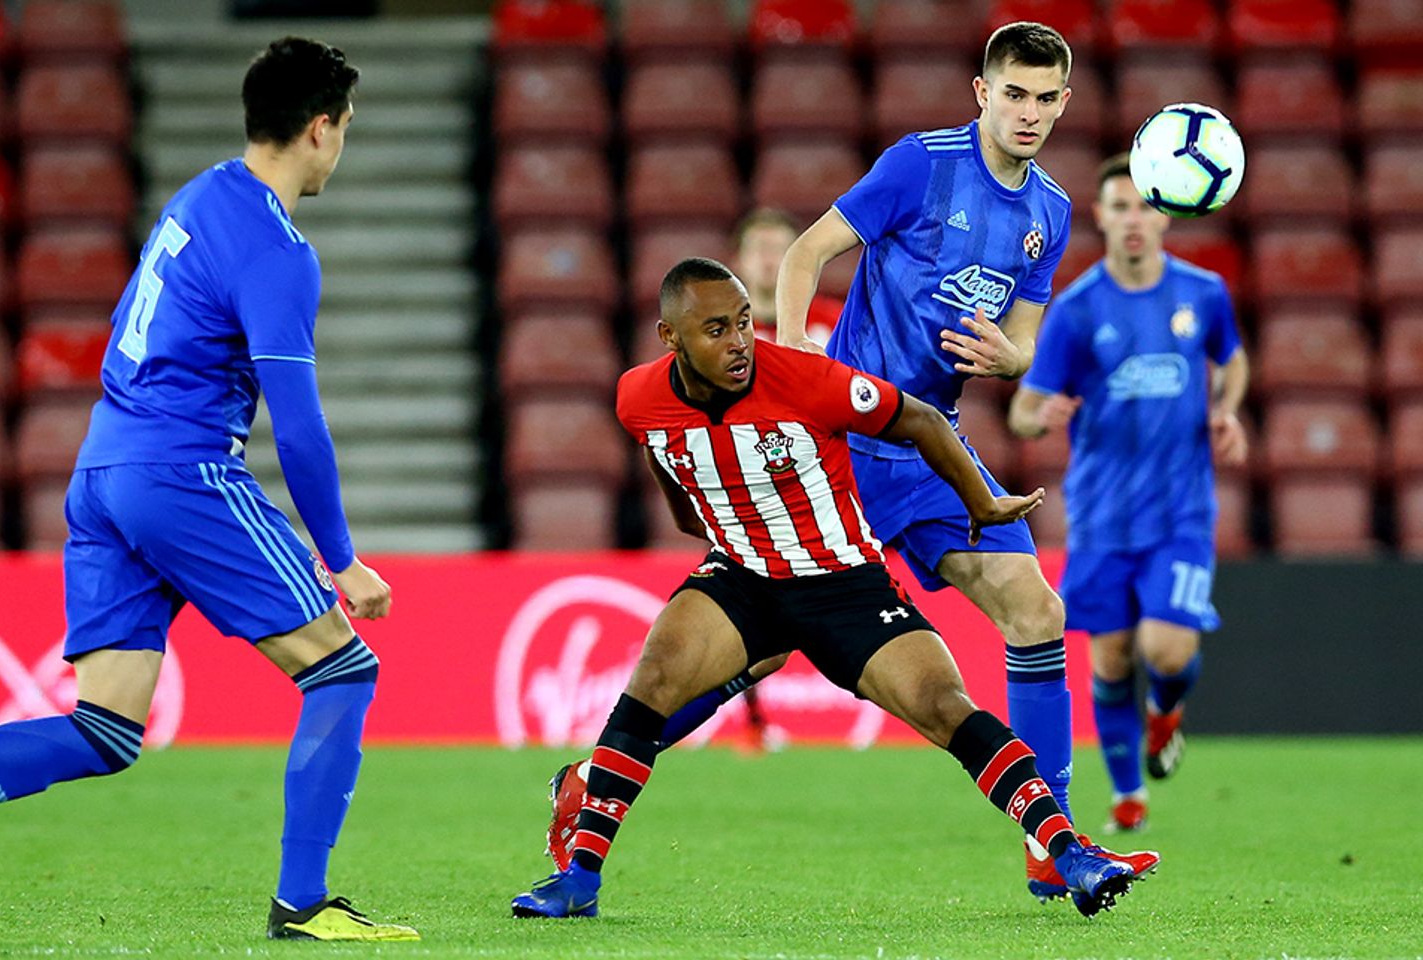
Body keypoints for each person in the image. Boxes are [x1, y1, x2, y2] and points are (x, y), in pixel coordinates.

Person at [512, 257, 1147, 921]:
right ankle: (580, 878)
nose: (739, 343)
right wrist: (705, 527)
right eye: (717, 330)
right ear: (671, 339)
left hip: (844, 584)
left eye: (744, 324)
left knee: (945, 707)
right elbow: (665, 458)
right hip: (745, 577)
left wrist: (981, 505)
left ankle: (1069, 853)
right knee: (651, 686)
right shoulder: (637, 397)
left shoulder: (805, 380)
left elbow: (923, 421)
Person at [0, 38, 418, 942]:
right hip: (177, 470)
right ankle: (303, 902)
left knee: (105, 730)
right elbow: (297, 428)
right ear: (320, 129)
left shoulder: (200, 194)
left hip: (101, 470)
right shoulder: (275, 247)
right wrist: (343, 558)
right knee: (343, 668)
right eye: (346, 129)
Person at [769, 21, 1155, 900]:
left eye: (1045, 97)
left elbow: (1024, 335)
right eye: (1012, 93)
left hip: (928, 445)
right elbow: (806, 252)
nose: (1028, 112)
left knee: (1036, 611)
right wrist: (796, 369)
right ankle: (596, 783)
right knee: (748, 653)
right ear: (982, 92)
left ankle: (1052, 840)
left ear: (1065, 103)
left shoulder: (1051, 212)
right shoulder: (921, 164)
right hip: (844, 441)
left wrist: (1015, 357)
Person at [1007, 153, 1248, 833]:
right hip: (1103, 517)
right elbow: (1025, 407)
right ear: (1102, 218)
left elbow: (1233, 360)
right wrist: (1038, 416)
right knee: (1111, 657)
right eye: (1119, 207)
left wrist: (1227, 407)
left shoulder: (1203, 293)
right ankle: (1127, 795)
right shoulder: (1078, 310)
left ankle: (1166, 708)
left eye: (1144, 206)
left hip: (1182, 512)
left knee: (1166, 651)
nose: (1133, 219)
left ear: (1165, 212)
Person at [734, 207, 843, 347]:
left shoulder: (835, 320)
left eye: (779, 249)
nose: (768, 260)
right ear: (738, 259)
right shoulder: (723, 328)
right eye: (759, 248)